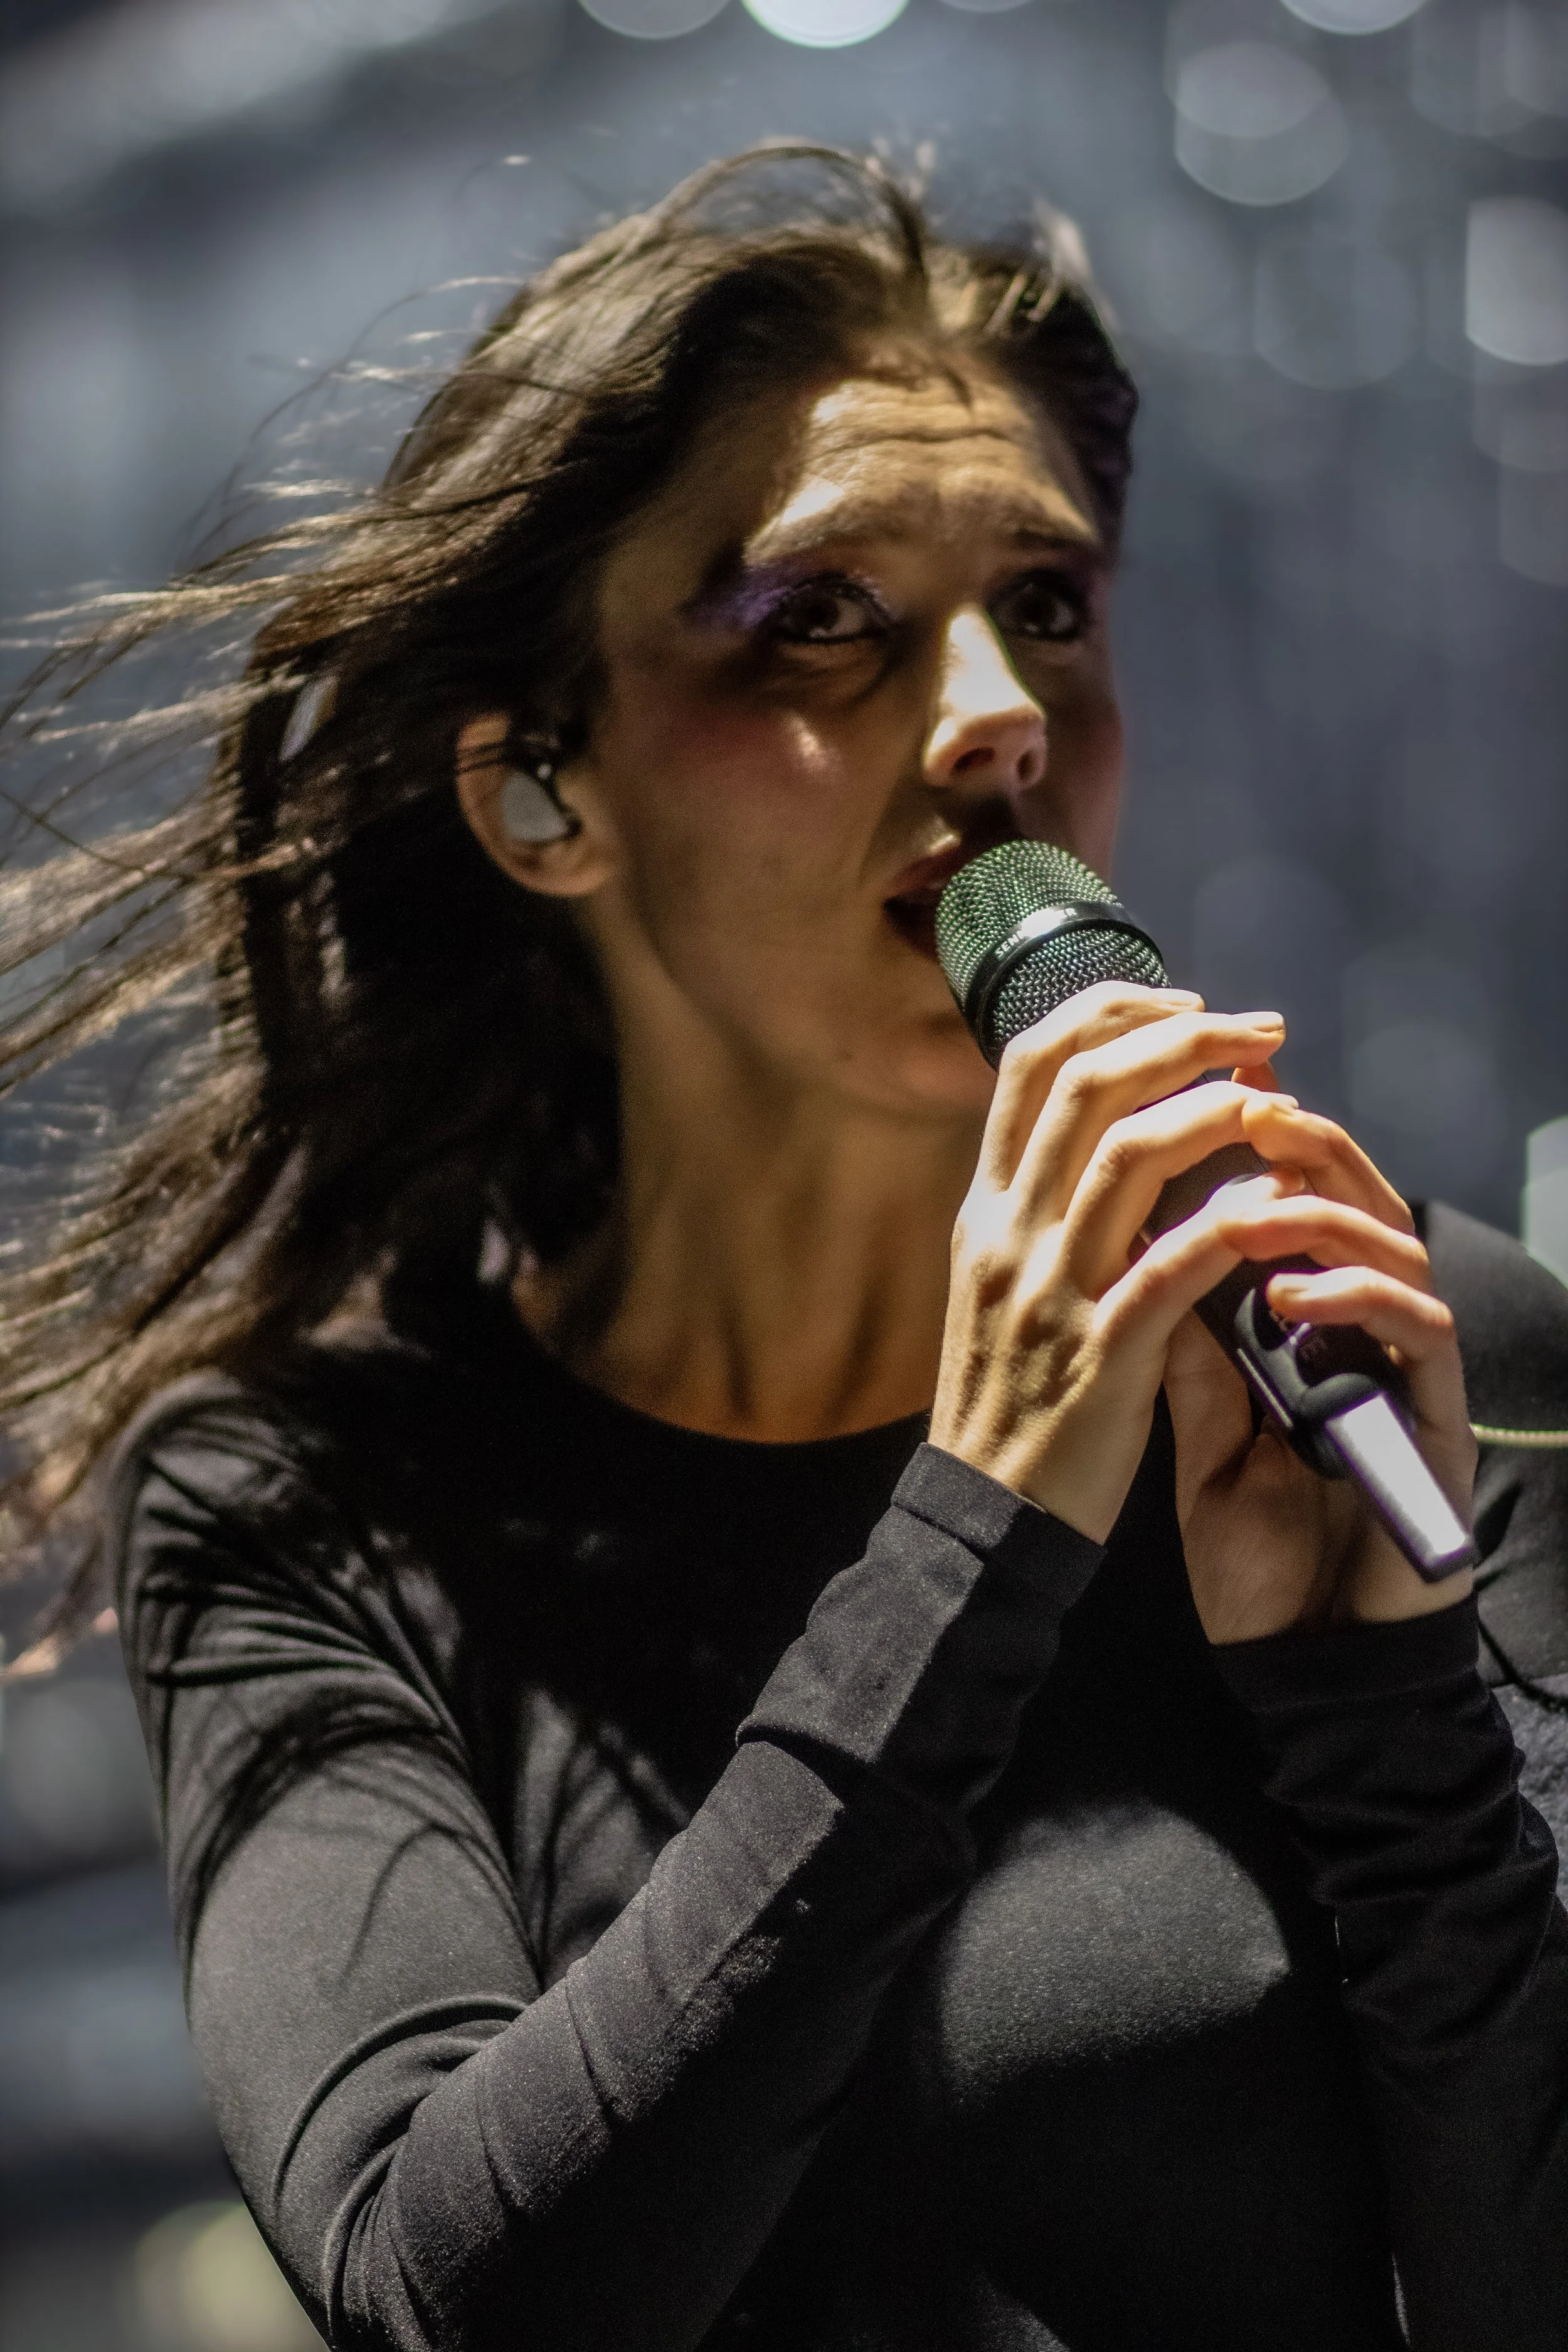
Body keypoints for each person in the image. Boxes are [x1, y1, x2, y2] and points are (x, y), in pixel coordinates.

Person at [2, 146, 1566, 2352]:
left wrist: (1382, 1700)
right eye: (823, 614)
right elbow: (451, 2295)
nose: (1001, 710)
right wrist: (981, 1524)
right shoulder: (310, 1499)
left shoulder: (1381, 1342)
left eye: (1048, 603)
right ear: (543, 791)